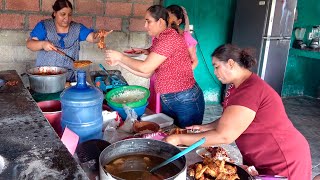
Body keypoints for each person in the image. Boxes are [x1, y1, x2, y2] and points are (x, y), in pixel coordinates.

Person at [164, 44, 312, 179]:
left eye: (216, 66)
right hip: (260, 156)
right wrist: (208, 126)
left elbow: (224, 136)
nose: (215, 72)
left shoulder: (250, 90)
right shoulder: (237, 86)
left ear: (230, 63)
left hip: (281, 158)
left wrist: (179, 139)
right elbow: (232, 118)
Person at [105, 5, 205, 128]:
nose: (145, 26)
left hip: (186, 99)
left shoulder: (169, 39)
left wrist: (120, 57)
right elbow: (148, 73)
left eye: (148, 21)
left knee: (188, 138)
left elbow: (145, 68)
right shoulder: (159, 39)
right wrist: (119, 63)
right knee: (172, 134)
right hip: (170, 98)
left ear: (161, 22)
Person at [26, 0, 112, 81]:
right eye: (63, 14)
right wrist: (42, 44)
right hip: (46, 78)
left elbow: (93, 38)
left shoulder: (77, 28)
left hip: (70, 79)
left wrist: (100, 35)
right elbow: (30, 44)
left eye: (69, 15)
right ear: (55, 13)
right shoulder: (44, 26)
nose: (66, 18)